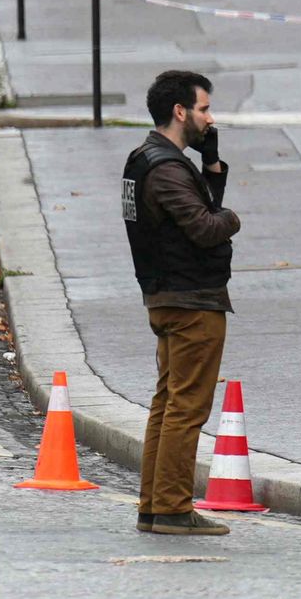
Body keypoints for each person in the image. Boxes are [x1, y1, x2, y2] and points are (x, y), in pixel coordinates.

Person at [121, 70, 241, 538]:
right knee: (186, 408)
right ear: (180, 111)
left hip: (169, 296)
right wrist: (233, 218)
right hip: (191, 301)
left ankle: (154, 506)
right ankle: (172, 507)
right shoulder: (167, 168)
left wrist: (211, 166)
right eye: (204, 108)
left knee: (168, 403)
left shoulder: (147, 159)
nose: (210, 118)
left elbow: (197, 208)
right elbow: (206, 226)